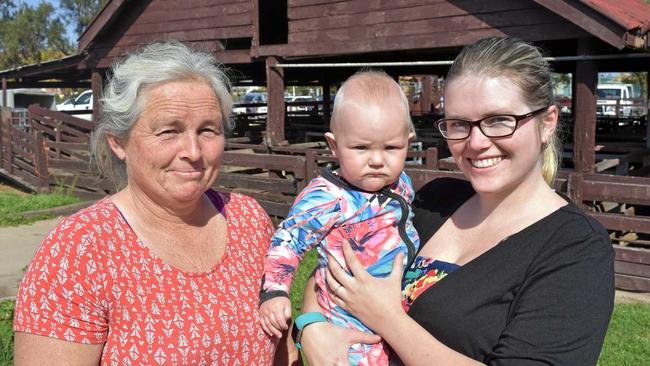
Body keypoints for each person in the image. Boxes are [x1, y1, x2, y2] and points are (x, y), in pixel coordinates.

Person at [299, 36, 615, 365]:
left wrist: (388, 319)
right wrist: (310, 326)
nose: (476, 143)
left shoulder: (575, 247)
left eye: (498, 120)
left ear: (547, 121)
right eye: (459, 124)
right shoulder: (432, 200)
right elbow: (334, 265)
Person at [13, 41, 297, 365]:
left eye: (207, 130)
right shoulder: (78, 252)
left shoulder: (248, 220)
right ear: (118, 143)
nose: (193, 150)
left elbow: (283, 351)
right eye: (168, 131)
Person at [258, 71, 420, 365]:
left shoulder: (401, 183)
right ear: (334, 146)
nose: (377, 159)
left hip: (394, 314)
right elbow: (288, 240)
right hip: (348, 324)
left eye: (391, 147)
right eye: (361, 147)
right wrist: (276, 292)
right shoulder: (328, 198)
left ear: (408, 143)